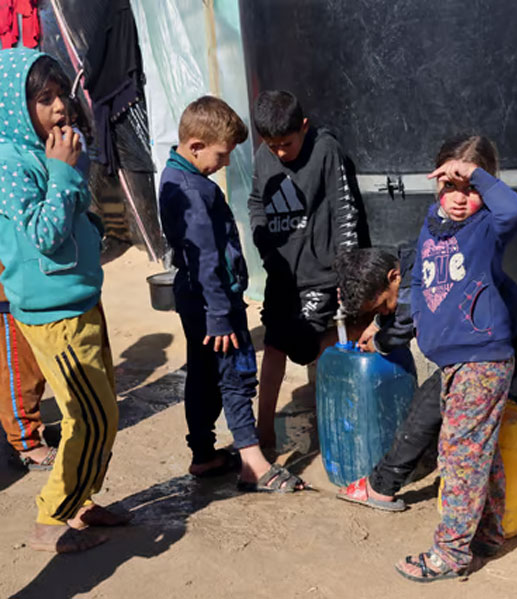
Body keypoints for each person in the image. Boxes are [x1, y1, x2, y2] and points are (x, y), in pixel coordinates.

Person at [0, 49, 129, 553]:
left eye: (61, 96)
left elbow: (72, 216)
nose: (59, 108)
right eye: (44, 99)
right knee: (89, 416)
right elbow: (45, 234)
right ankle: (50, 518)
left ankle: (80, 500)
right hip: (54, 314)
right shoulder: (10, 164)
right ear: (15, 107)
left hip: (80, 299)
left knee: (103, 412)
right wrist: (63, 172)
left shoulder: (47, 151)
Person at [392, 134, 517, 582]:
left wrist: (475, 175)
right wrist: (413, 320)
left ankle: (450, 553)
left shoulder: (487, 227)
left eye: (469, 188)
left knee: (459, 454)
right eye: (449, 186)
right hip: (454, 362)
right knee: (476, 450)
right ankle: (486, 534)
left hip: (482, 359)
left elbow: (514, 210)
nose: (458, 197)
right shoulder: (433, 224)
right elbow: (418, 278)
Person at [158, 96, 307, 493]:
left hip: (194, 299)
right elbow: (205, 257)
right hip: (215, 301)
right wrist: (221, 315)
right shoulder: (194, 192)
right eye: (221, 155)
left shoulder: (174, 178)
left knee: (203, 374)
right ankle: (253, 464)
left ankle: (203, 453)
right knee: (236, 376)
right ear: (195, 146)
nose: (224, 164)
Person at [333, 241, 517, 512]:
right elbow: (401, 306)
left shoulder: (422, 280)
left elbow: (405, 322)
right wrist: (379, 322)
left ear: (393, 276)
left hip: (503, 339)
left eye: (382, 305)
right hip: (495, 335)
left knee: (428, 406)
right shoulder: (408, 258)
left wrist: (379, 340)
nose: (383, 311)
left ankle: (384, 485)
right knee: (439, 407)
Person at [247, 90, 363, 451]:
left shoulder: (326, 150)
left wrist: (347, 270)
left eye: (287, 144)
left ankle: (330, 422)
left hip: (321, 273)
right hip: (281, 273)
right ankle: (264, 429)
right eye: (273, 146)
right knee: (273, 345)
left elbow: (345, 209)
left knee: (310, 344)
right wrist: (265, 246)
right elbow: (256, 202)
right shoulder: (263, 156)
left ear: (304, 127)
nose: (280, 153)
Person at [0, 261, 54, 471]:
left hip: (21, 283)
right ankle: (25, 443)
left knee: (27, 366)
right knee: (19, 368)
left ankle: (28, 427)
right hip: (10, 292)